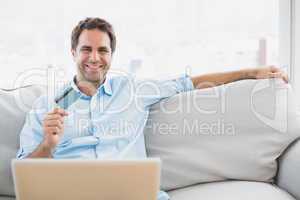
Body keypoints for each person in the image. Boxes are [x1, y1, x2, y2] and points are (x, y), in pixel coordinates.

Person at [17, 17, 288, 200]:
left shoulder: (133, 91)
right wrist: (47, 147)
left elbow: (189, 83)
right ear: (73, 52)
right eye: (86, 49)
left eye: (103, 50)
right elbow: (24, 180)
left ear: (112, 55)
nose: (94, 58)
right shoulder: (46, 108)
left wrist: (253, 72)